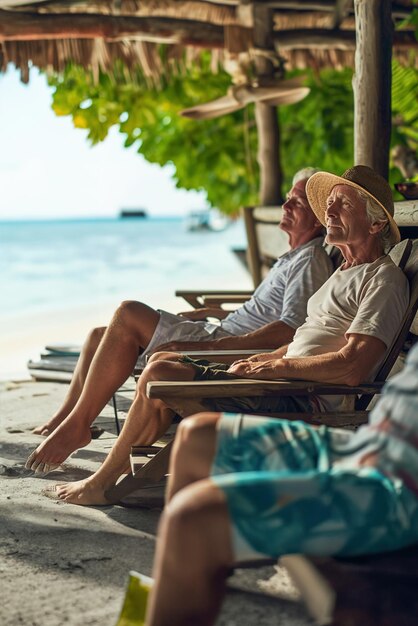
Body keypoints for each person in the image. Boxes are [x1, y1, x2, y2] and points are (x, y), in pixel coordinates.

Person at [38, 165, 409, 506]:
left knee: (159, 375)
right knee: (164, 362)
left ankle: (104, 480)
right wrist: (268, 358)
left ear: (375, 224)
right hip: (283, 382)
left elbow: (352, 368)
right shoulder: (344, 272)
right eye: (329, 203)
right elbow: (306, 338)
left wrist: (276, 367)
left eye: (342, 204)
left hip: (300, 400)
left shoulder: (383, 280)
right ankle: (120, 469)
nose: (328, 212)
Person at [26, 168, 332, 473]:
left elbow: (288, 329)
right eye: (288, 199)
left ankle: (77, 424)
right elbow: (265, 312)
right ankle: (66, 419)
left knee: (128, 312)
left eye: (298, 204)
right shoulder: (293, 257)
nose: (286, 206)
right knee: (98, 335)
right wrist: (215, 313)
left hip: (225, 347)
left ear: (317, 219)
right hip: (220, 332)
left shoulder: (309, 261)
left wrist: (217, 340)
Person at [141, 341, 418, 626]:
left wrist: (276, 366)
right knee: (197, 434)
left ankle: (199, 555)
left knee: (193, 516)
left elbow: (351, 366)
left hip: (400, 486)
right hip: (370, 445)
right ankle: (192, 576)